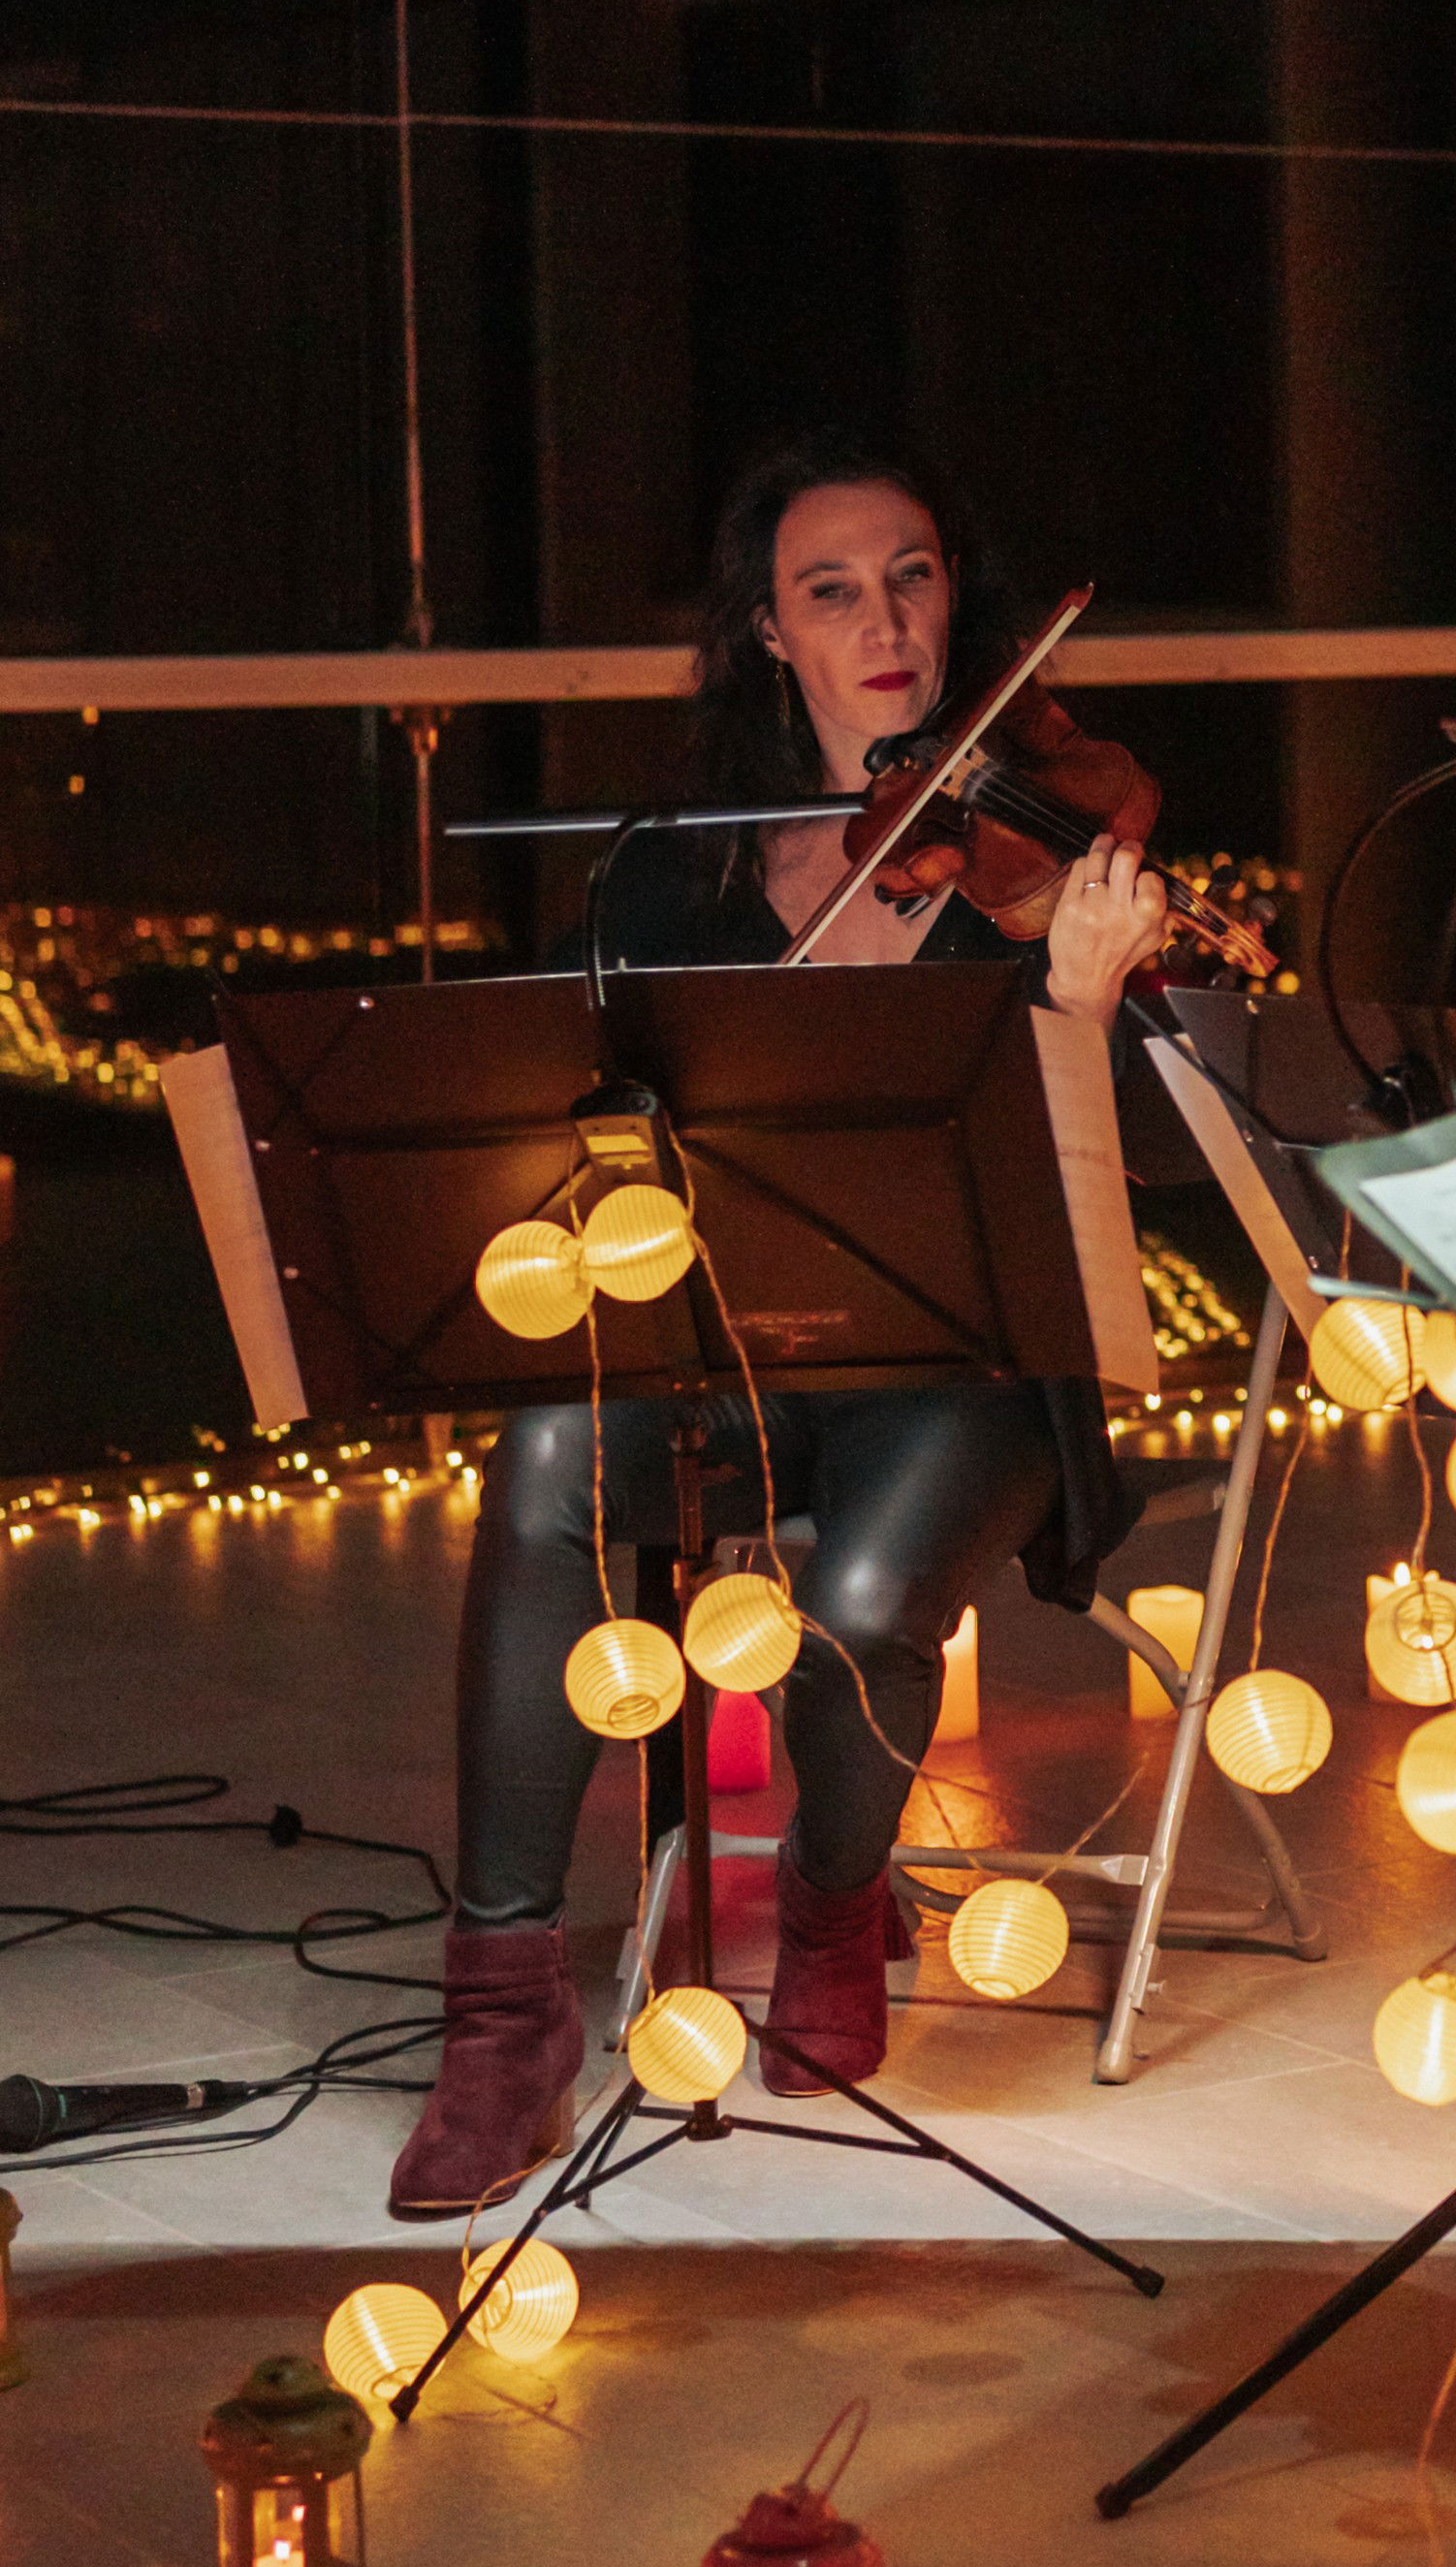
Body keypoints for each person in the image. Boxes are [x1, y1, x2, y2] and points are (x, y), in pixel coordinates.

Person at [389, 437, 1171, 2219]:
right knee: (546, 1458)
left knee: (867, 1604)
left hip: (971, 1368)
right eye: (833, 590)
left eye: (911, 577)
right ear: (769, 635)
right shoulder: (677, 877)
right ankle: (500, 2016)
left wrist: (1075, 1000)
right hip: (737, 1357)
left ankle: (833, 1900)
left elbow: (1107, 1201)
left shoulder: (1049, 852)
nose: (884, 621)